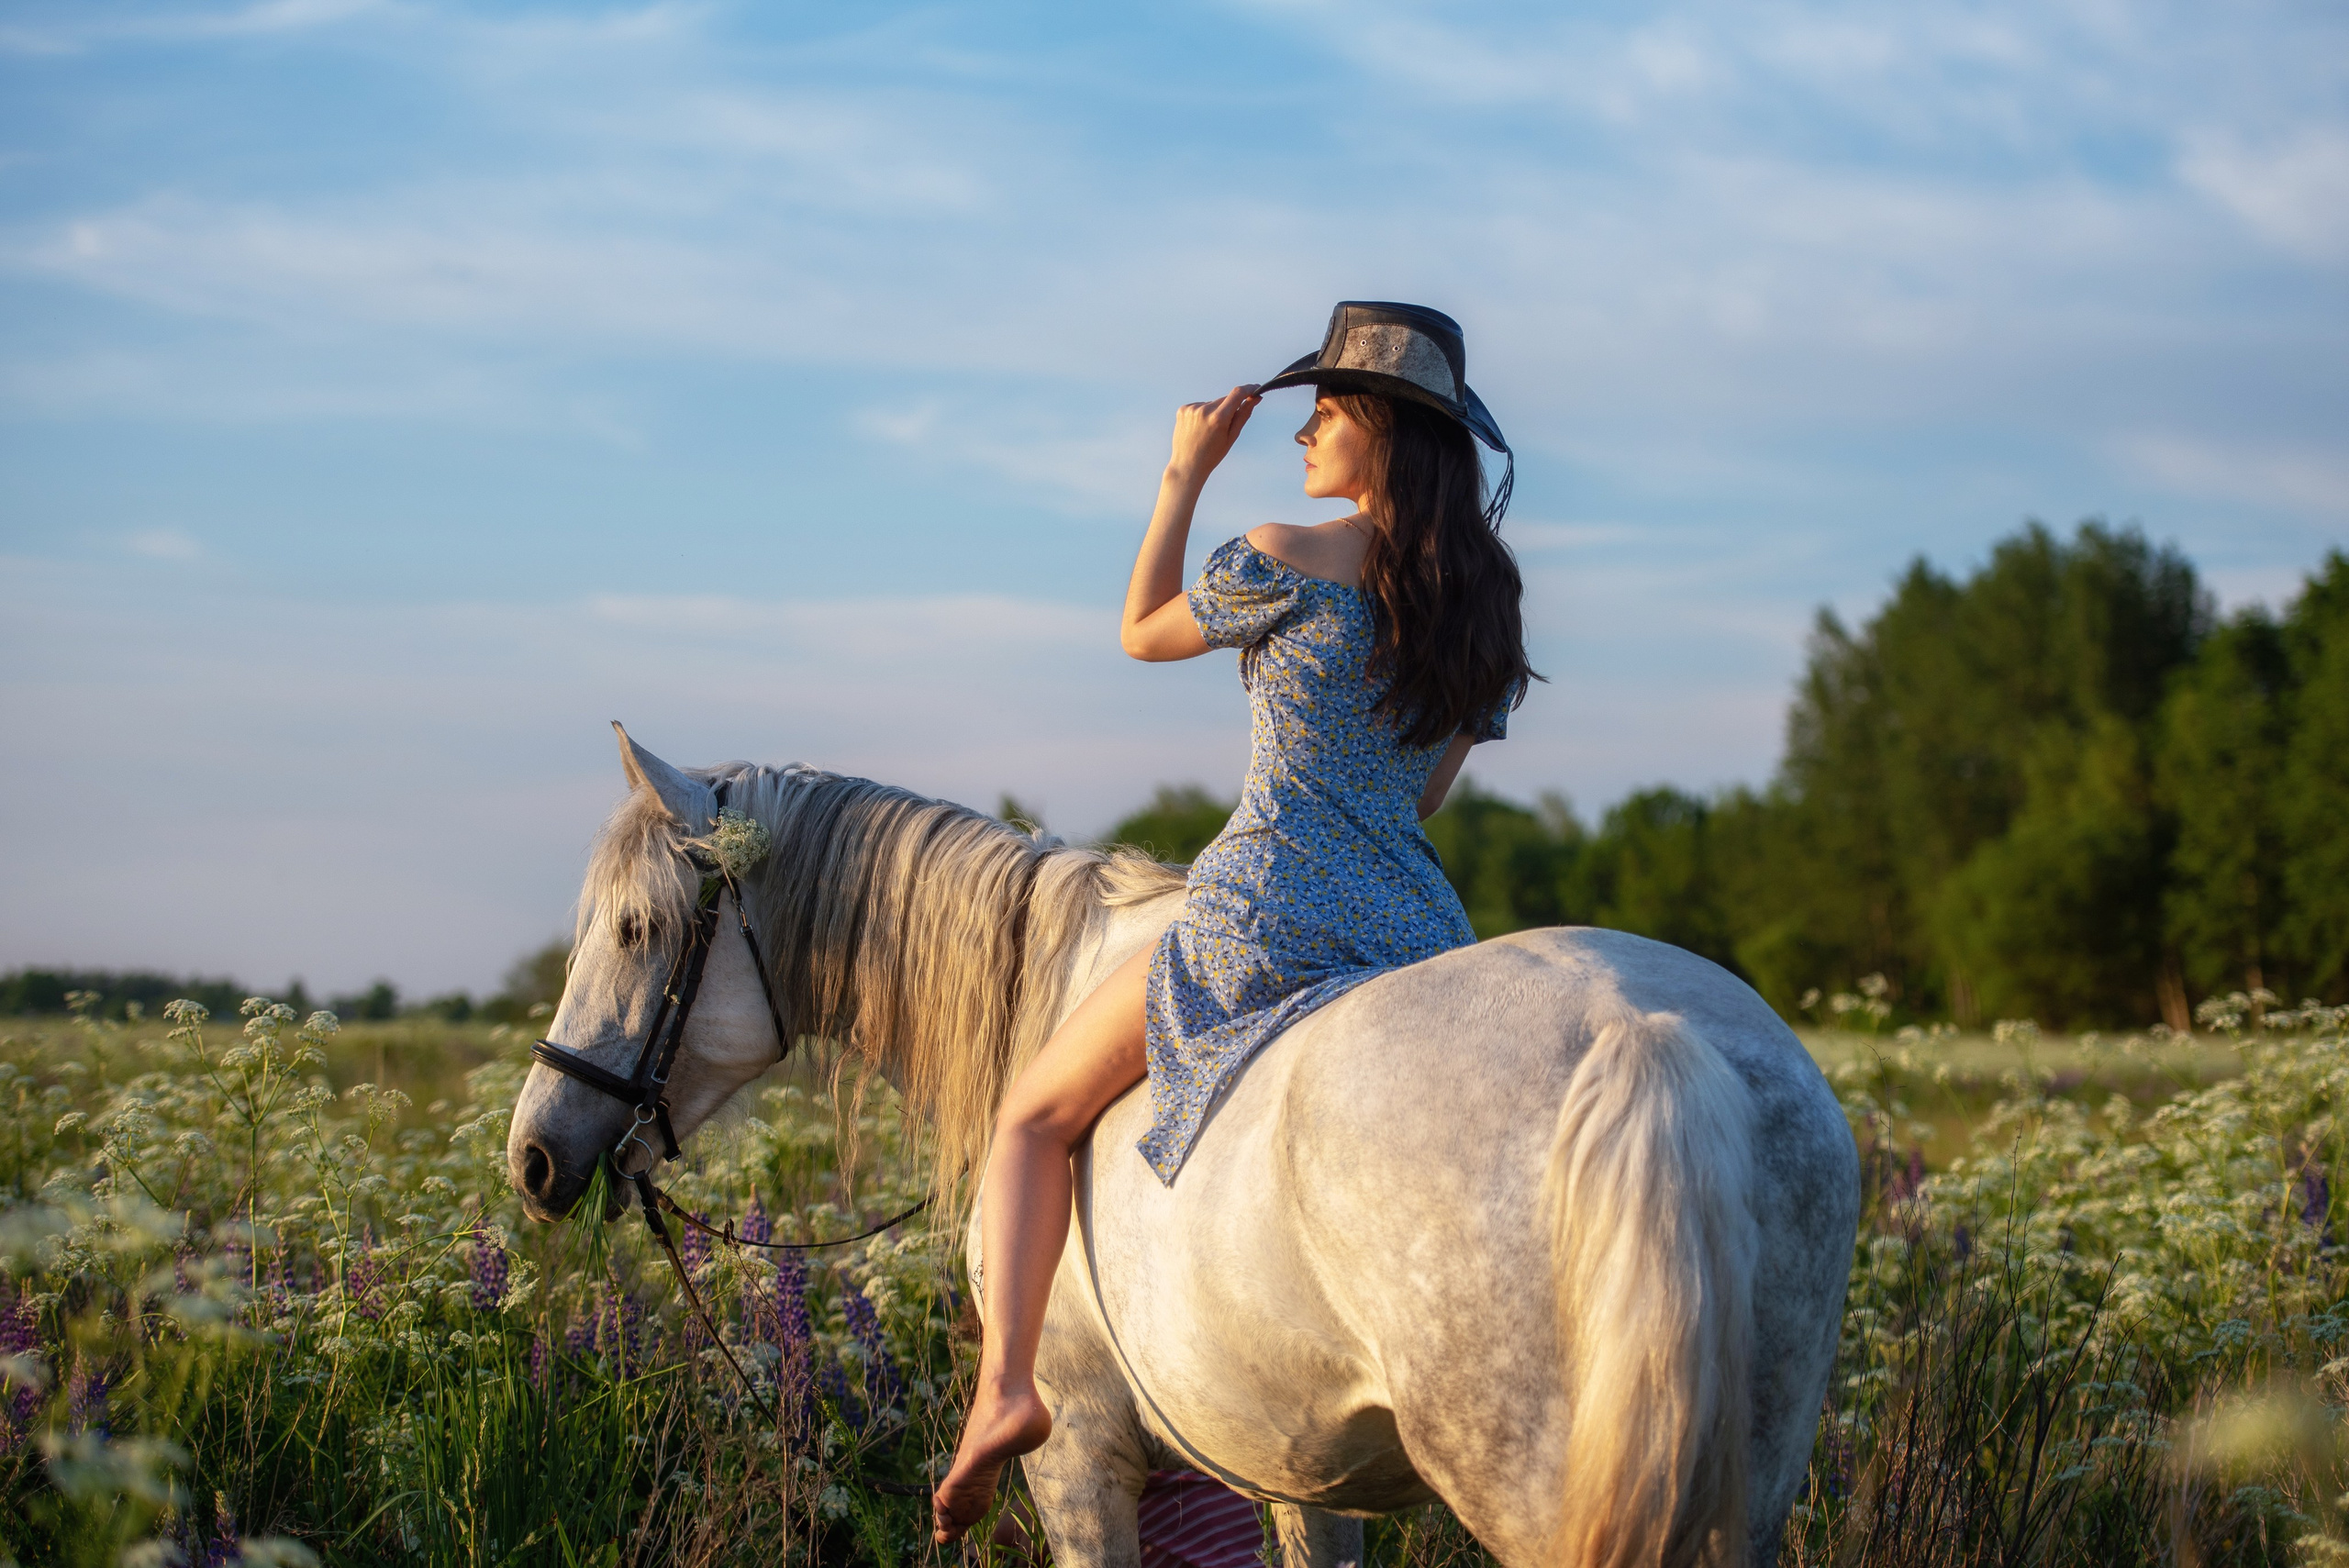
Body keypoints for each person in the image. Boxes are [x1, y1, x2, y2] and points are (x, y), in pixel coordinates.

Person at [933, 302, 1536, 1543]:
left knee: (1034, 1117)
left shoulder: (1281, 553)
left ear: (1376, 428)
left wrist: (1183, 474)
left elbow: (1141, 630)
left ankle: (1003, 1393)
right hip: (1415, 938)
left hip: (1263, 912)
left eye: (1327, 406)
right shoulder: (1483, 599)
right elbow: (1421, 793)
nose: (1305, 424)